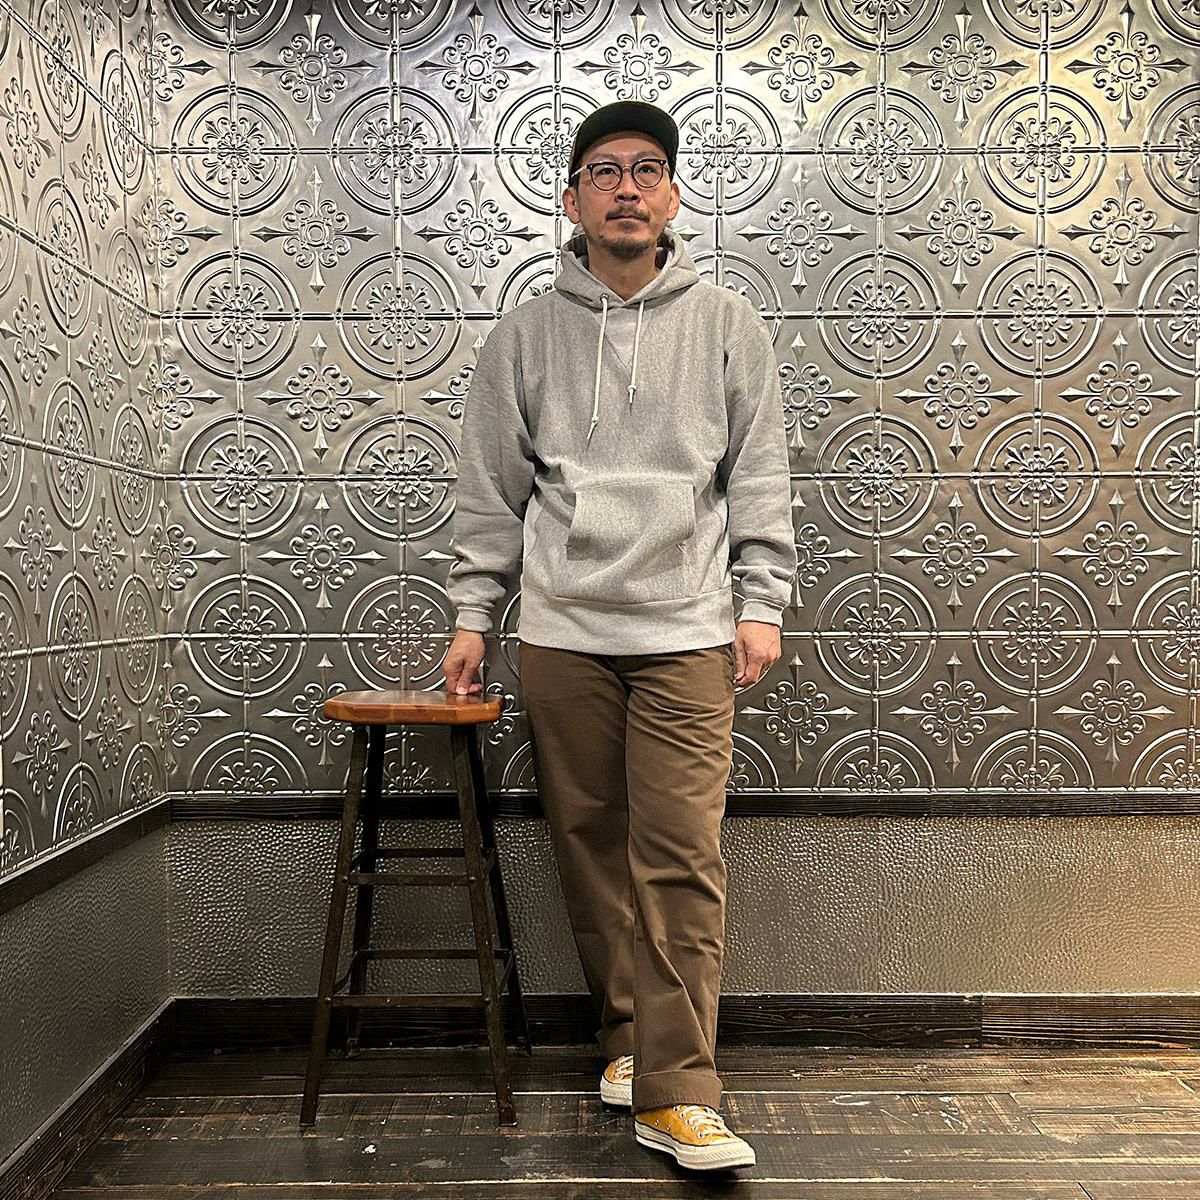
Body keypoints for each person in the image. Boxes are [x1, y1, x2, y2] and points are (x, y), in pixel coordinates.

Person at [442, 99, 797, 1172]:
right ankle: (630, 1042)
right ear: (572, 199)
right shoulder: (524, 334)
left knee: (681, 856)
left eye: (647, 169)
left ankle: (679, 1093)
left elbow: (759, 474)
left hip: (688, 629)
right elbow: (492, 490)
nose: (627, 188)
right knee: (592, 852)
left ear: (674, 194)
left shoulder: (727, 322)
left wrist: (761, 602)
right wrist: (473, 616)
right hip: (562, 631)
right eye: (605, 171)